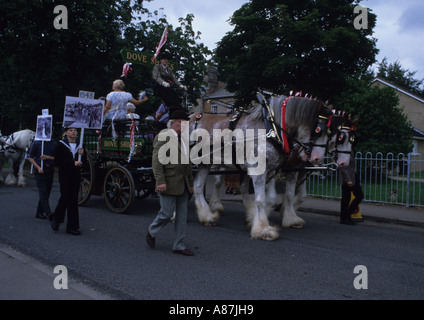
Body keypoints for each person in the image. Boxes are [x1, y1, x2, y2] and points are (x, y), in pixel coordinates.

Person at [146, 109, 194, 256]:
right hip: (169, 181)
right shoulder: (163, 136)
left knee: (182, 217)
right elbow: (157, 161)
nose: (183, 125)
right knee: (166, 214)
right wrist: (160, 181)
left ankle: (179, 245)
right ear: (172, 123)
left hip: (184, 183)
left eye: (185, 123)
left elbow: (188, 164)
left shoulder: (184, 139)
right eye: (181, 122)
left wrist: (191, 183)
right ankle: (151, 231)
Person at [51, 128, 84, 235]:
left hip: (75, 175)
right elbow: (57, 162)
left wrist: (82, 155)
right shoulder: (61, 145)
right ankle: (57, 218)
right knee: (65, 197)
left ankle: (72, 227)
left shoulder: (81, 144)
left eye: (75, 130)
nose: (73, 132)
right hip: (65, 175)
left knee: (73, 200)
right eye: (71, 130)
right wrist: (72, 163)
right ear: (66, 132)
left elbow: (85, 163)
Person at [27, 140, 57, 220]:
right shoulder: (36, 143)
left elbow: (57, 158)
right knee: (43, 191)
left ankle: (39, 212)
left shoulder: (54, 144)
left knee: (47, 191)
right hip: (39, 170)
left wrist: (48, 157)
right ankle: (48, 212)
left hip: (49, 169)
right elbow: (30, 157)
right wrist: (38, 167)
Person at [339, 154, 364, 225]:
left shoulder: (349, 150)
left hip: (352, 176)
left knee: (346, 198)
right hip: (348, 178)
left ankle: (344, 217)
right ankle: (346, 216)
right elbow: (343, 167)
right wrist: (348, 180)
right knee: (357, 196)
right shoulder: (344, 151)